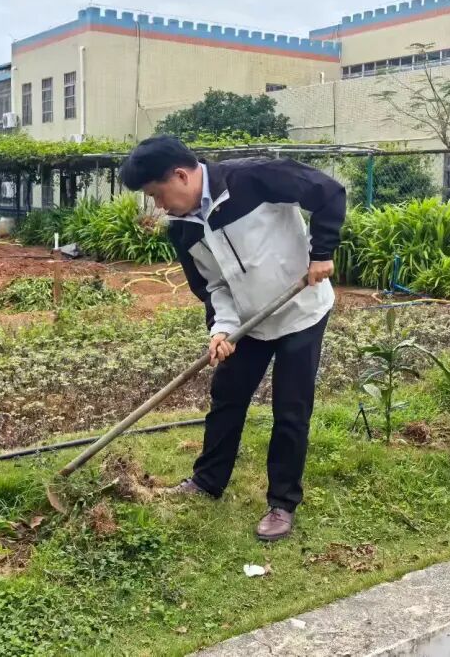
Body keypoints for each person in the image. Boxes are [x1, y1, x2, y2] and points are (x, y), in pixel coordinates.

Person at [119, 135, 346, 541]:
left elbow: (328, 192)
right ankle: (207, 481)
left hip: (301, 310)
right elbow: (212, 286)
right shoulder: (183, 231)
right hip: (249, 322)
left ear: (181, 176)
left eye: (156, 194)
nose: (159, 206)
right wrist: (222, 328)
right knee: (227, 398)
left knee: (290, 409)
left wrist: (322, 252)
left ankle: (282, 503)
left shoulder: (255, 178)